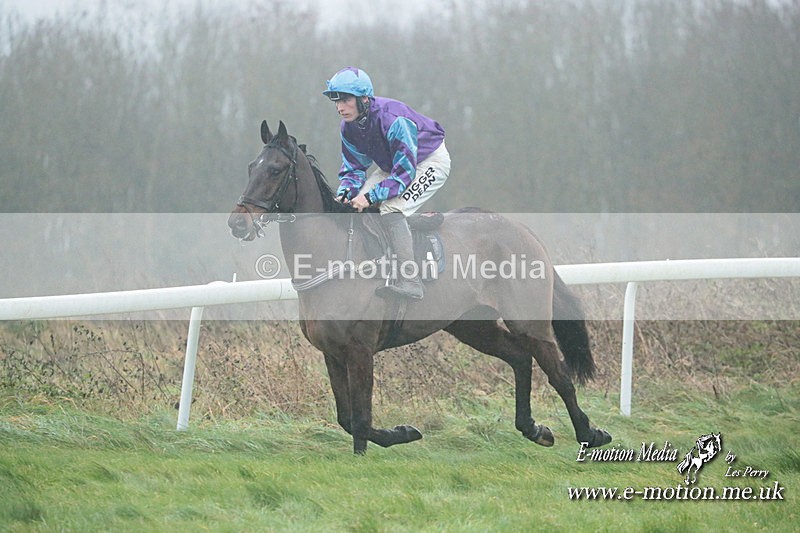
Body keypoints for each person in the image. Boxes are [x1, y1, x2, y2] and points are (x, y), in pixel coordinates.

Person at [323, 67, 451, 300]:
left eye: (346, 100)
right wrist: (345, 193)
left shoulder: (393, 120)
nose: (340, 107)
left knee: (390, 209)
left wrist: (371, 197)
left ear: (364, 99)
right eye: (336, 100)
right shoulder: (348, 127)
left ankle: (410, 280)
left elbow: (404, 175)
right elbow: (354, 169)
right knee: (355, 205)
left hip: (429, 161)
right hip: (394, 166)